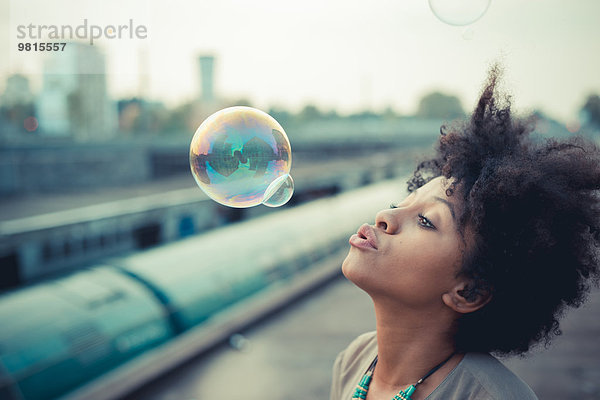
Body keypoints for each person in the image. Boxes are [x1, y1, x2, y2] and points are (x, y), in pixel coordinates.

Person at [330, 64, 600, 400]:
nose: (386, 216)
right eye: (401, 203)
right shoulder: (354, 360)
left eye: (426, 221)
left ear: (468, 292)